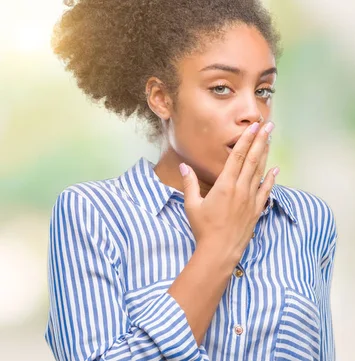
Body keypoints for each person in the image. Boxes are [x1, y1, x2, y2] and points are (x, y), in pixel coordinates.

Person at [44, 1, 338, 360]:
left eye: (263, 90)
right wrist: (218, 248)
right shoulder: (92, 216)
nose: (252, 113)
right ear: (162, 98)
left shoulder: (308, 220)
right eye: (221, 88)